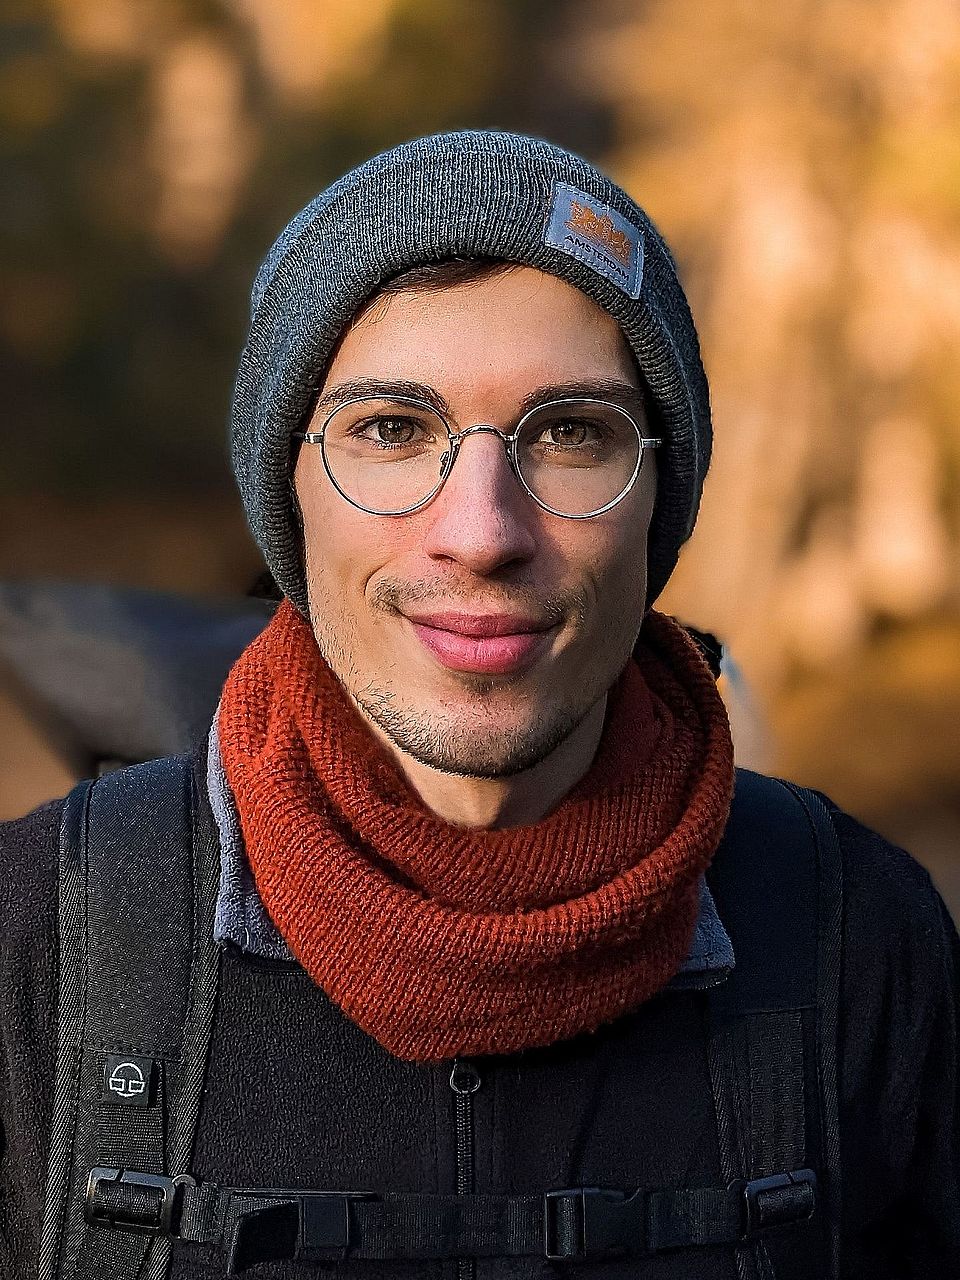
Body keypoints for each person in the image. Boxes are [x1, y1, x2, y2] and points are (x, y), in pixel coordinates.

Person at [1, 130, 957, 1280]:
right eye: (393, 430)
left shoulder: (863, 939)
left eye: (569, 434)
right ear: (285, 489)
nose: (482, 530)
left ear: (661, 500)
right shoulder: (43, 939)